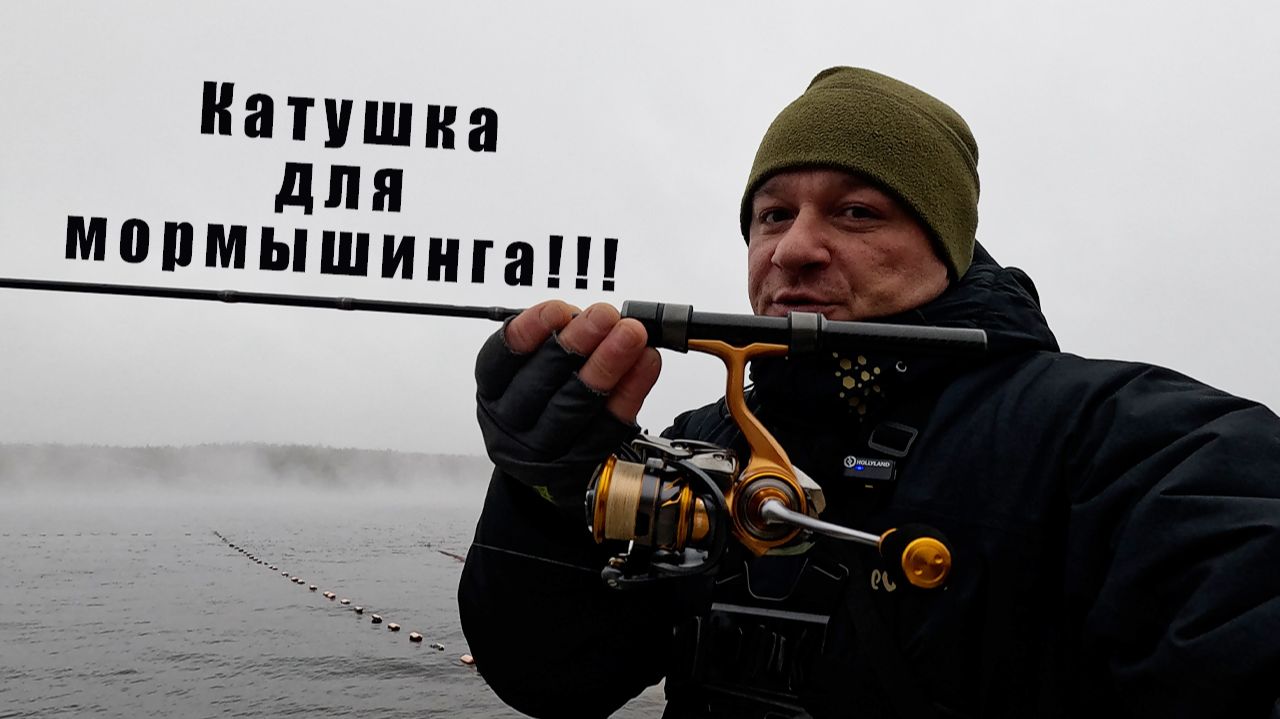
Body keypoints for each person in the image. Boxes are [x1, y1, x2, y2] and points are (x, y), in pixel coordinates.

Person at [458, 67, 1280, 718]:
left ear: (947, 248)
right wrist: (546, 497)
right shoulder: (697, 443)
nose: (794, 249)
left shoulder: (1119, 436)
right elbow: (550, 679)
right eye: (772, 214)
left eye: (855, 211)